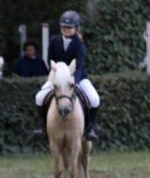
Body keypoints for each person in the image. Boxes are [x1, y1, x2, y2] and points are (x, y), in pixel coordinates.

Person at [34, 10, 100, 140]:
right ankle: (43, 128)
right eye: (64, 27)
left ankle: (89, 129)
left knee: (94, 99)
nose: (66, 29)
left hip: (77, 77)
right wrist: (56, 74)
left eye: (70, 27)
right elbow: (50, 59)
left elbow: (79, 65)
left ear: (76, 28)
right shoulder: (54, 40)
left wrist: (74, 80)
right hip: (57, 77)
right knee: (39, 97)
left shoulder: (79, 44)